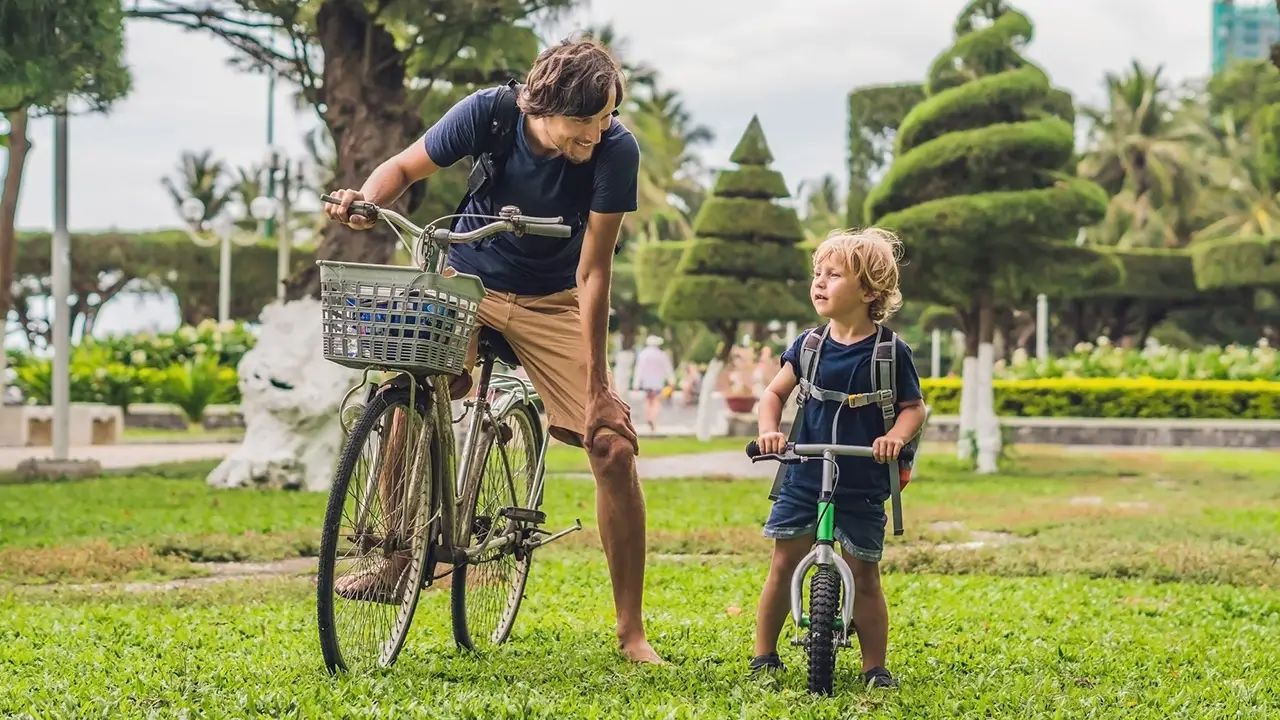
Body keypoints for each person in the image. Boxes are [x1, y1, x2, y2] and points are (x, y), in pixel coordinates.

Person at [321, 37, 663, 664]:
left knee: (613, 447)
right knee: (409, 386)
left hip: (553, 299)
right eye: (582, 124)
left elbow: (594, 272)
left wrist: (599, 390)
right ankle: (397, 556)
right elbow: (401, 169)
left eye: (606, 118)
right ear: (540, 105)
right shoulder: (489, 113)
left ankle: (631, 630)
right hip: (466, 284)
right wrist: (368, 200)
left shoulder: (615, 149)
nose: (596, 134)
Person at [750, 228, 927, 688]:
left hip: (862, 482)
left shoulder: (889, 352)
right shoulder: (809, 346)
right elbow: (774, 393)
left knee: (865, 575)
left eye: (833, 275)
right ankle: (764, 654)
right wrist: (769, 430)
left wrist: (894, 436)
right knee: (783, 563)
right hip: (804, 475)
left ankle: (874, 667)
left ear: (869, 291)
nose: (820, 282)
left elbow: (914, 408)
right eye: (817, 273)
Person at [631, 335, 674, 432]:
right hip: (658, 383)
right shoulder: (662, 355)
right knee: (656, 402)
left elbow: (639, 370)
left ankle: (649, 418)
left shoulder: (643, 355)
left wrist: (636, 384)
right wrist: (671, 381)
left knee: (648, 401)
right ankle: (652, 418)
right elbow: (668, 369)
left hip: (647, 383)